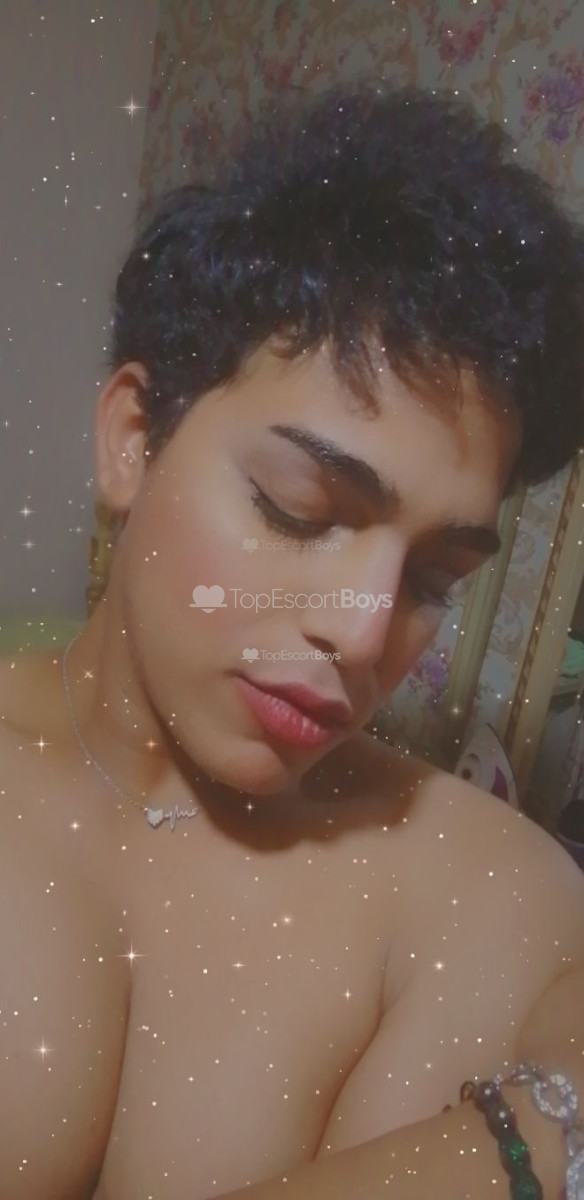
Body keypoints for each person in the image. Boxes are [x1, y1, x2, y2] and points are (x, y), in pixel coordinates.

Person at [1, 80, 584, 1200]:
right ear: (133, 439)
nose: (365, 634)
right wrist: (532, 1139)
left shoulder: (482, 891)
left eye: (433, 578)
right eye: (298, 511)